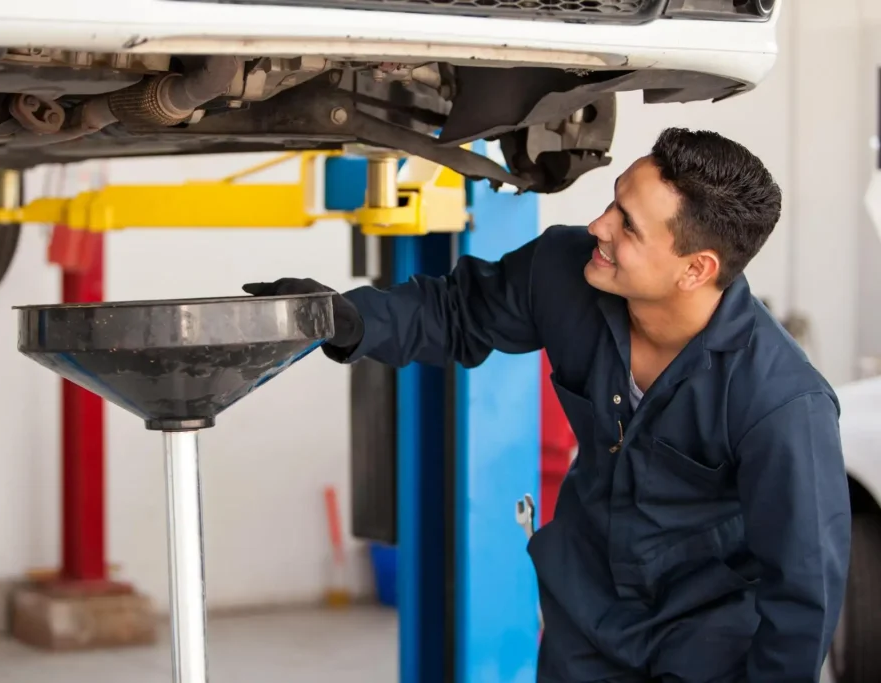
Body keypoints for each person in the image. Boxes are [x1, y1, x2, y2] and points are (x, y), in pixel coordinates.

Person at [242, 127, 851, 682]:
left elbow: (804, 590)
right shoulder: (567, 272)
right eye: (614, 201)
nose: (599, 226)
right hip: (583, 624)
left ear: (696, 269)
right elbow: (456, 314)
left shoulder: (782, 403)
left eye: (628, 225)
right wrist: (348, 320)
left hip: (706, 645)